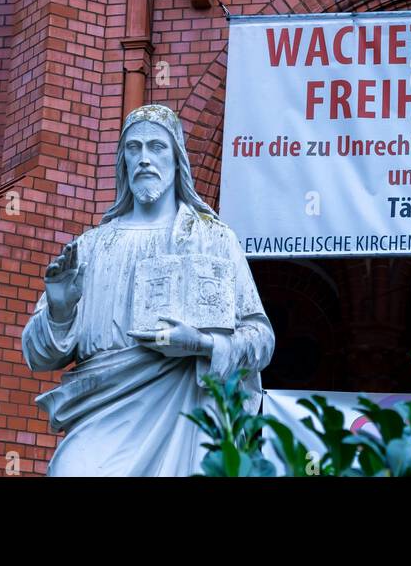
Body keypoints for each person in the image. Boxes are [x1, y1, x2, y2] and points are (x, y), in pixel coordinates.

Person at [23, 104, 274, 475]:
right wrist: (60, 310)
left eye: (157, 147)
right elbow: (37, 355)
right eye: (133, 148)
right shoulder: (90, 248)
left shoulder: (213, 239)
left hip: (186, 410)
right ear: (122, 160)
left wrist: (203, 345)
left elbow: (261, 339)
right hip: (103, 410)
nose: (144, 158)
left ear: (177, 159)